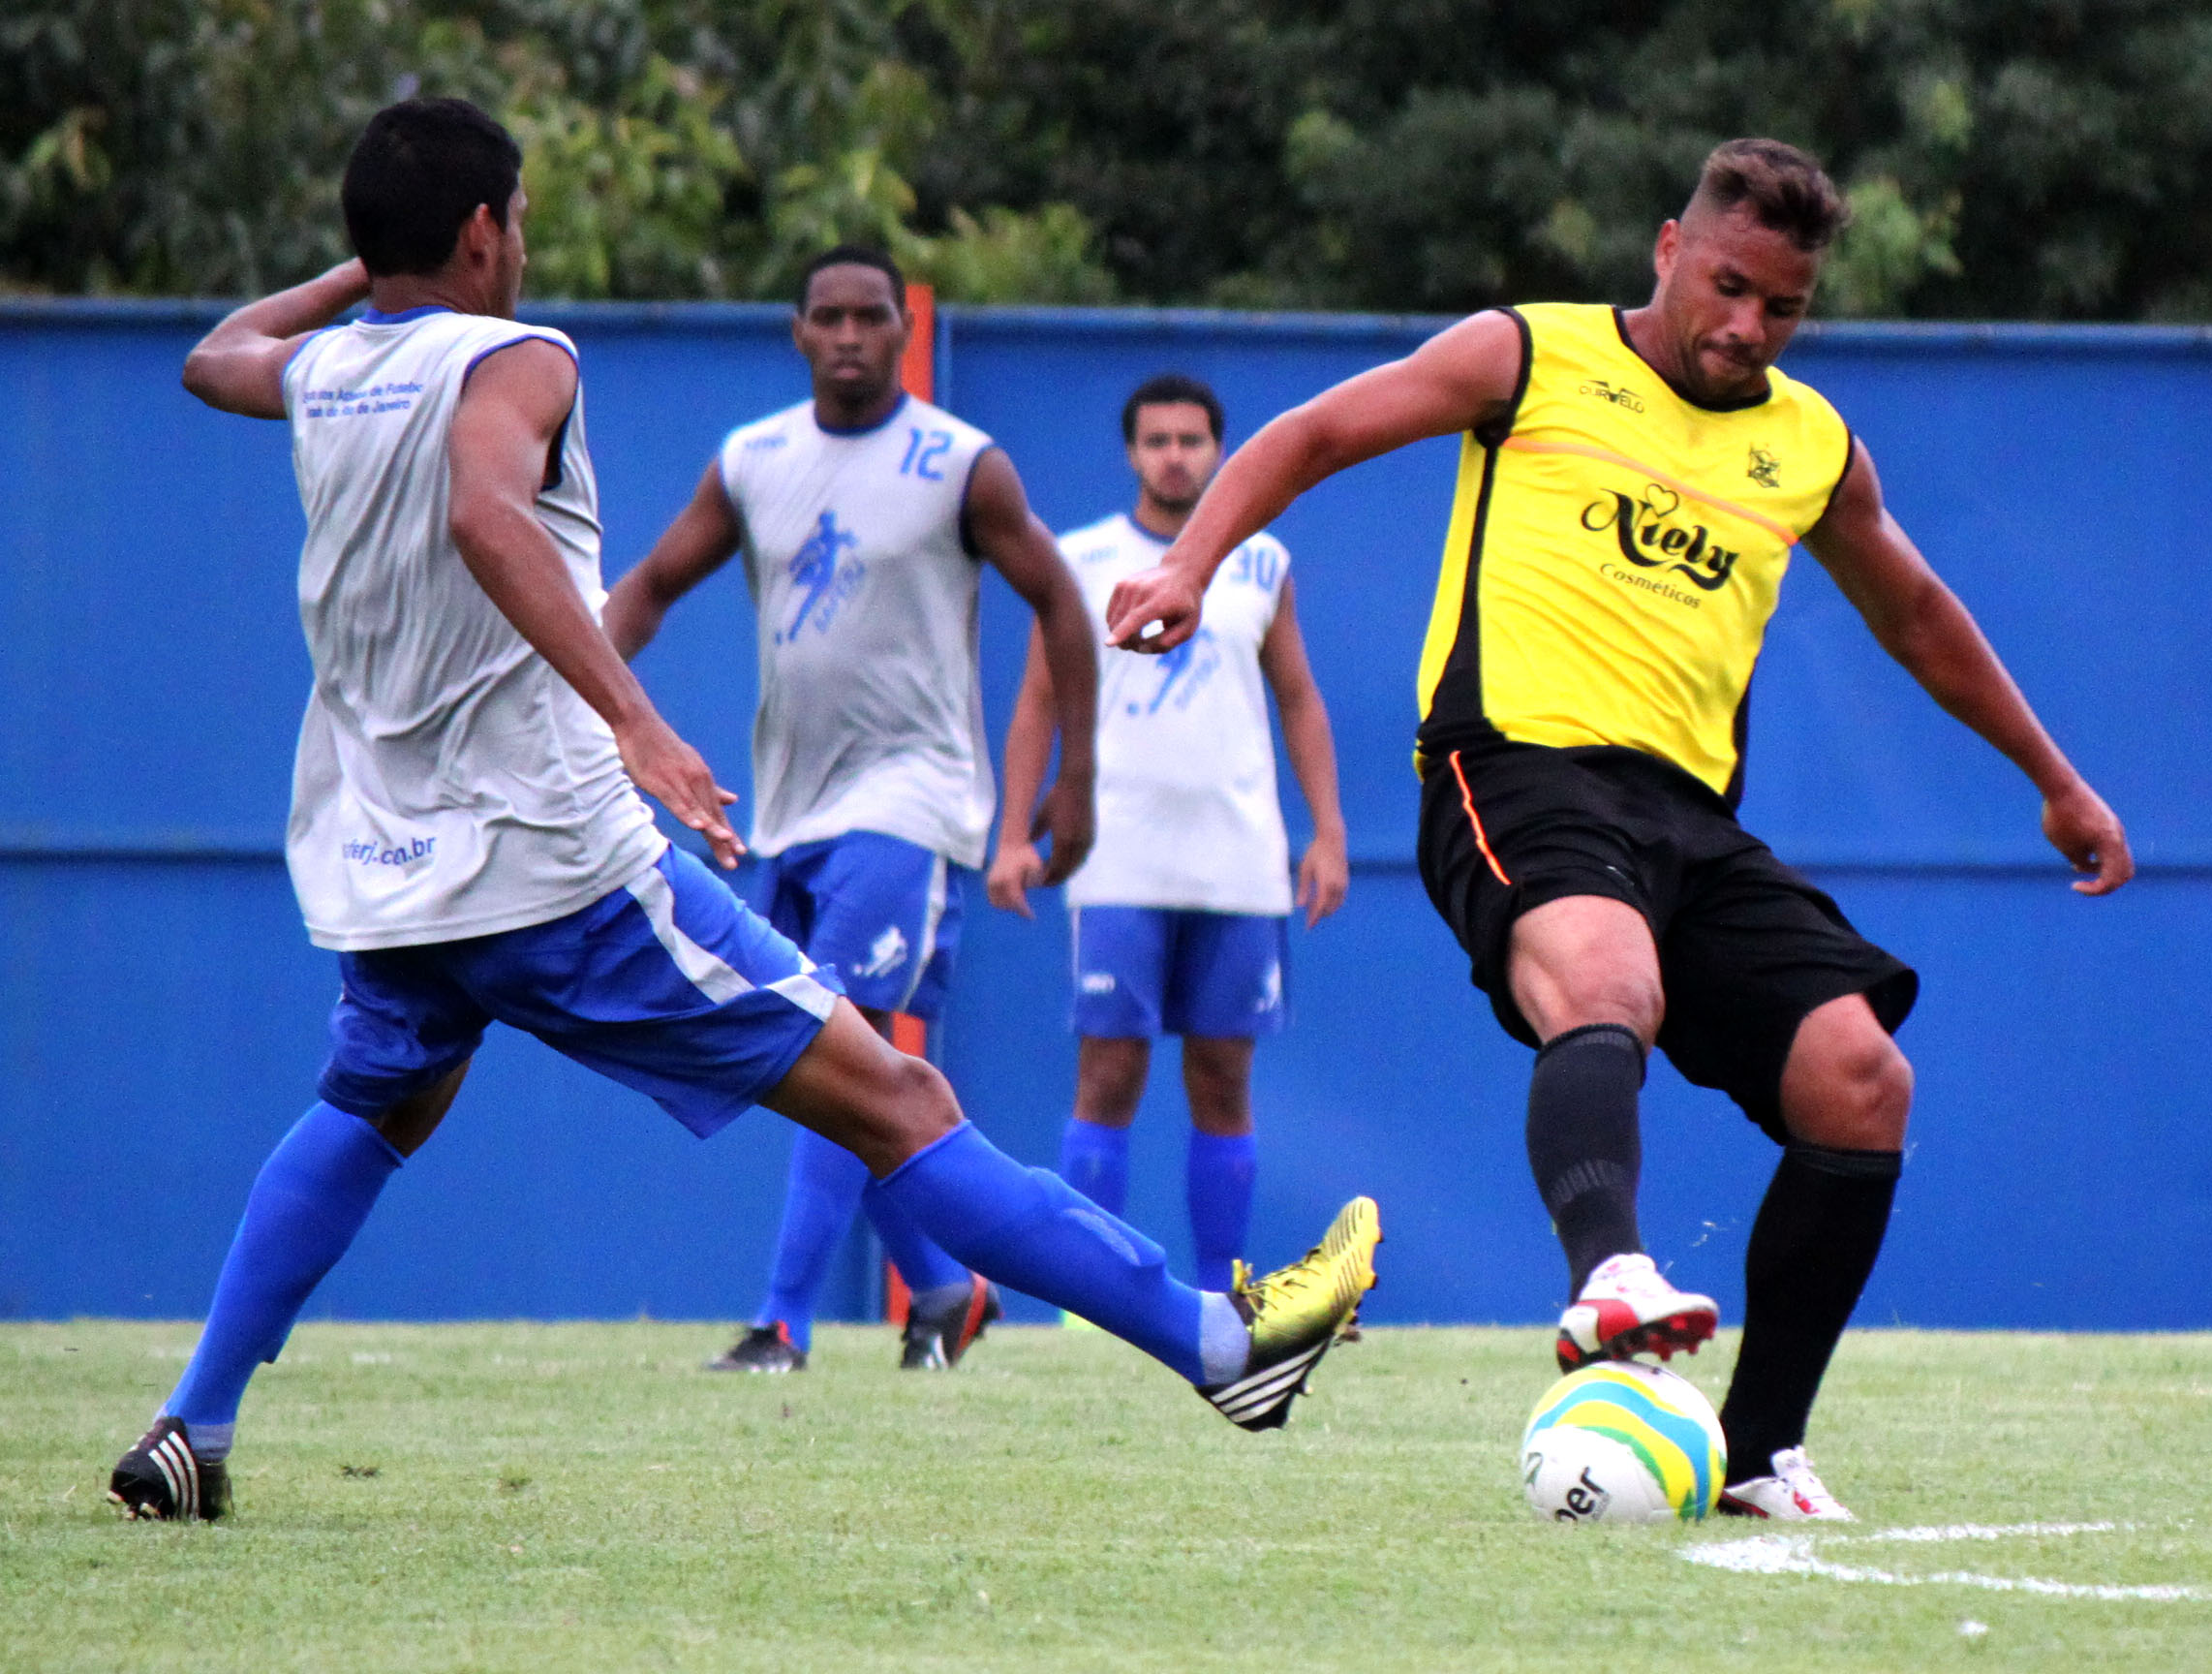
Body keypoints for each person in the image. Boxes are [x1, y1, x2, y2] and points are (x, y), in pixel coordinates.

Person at [106, 98, 1379, 1522]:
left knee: (372, 1103)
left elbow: (215, 356)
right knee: (902, 1101)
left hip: (391, 859)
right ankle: (1221, 1346)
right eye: (514, 222)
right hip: (557, 865)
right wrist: (637, 720)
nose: (521, 247)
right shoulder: (521, 358)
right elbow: (485, 512)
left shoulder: (325, 371)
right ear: (483, 233)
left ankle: (192, 1421)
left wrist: (368, 268)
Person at [1103, 139, 2132, 1521]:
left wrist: (2054, 779)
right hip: (1512, 767)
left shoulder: (1808, 444)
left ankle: (1761, 1451)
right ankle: (1609, 1277)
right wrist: (1188, 558)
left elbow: (1919, 615)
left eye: (1782, 306)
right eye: (1726, 286)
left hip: (1689, 820)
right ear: (1666, 248)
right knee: (1609, 985)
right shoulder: (1525, 356)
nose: (1745, 326)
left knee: (1860, 1077)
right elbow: (1313, 437)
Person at [603, 245, 1100, 1375]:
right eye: (827, 316)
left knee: (837, 1037)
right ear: (797, 330)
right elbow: (647, 589)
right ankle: (940, 1287)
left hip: (912, 803)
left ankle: (783, 1323)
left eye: (870, 317)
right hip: (786, 812)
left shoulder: (958, 463)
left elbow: (1062, 602)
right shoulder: (754, 460)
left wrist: (1075, 781)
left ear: (899, 330)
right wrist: (580, 685)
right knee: (830, 1070)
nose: (848, 336)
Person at [988, 374, 1348, 1293]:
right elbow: (1036, 702)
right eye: (1157, 440)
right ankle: (1092, 1294)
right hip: (1117, 860)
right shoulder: (1079, 559)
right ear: (1130, 453)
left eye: (1192, 440)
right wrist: (1010, 837)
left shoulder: (1260, 561)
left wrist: (1329, 832)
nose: (1175, 456)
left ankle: (1216, 1293)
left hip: (1238, 865)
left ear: (1220, 450)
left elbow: (1299, 698)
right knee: (1107, 1076)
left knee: (1223, 1079)